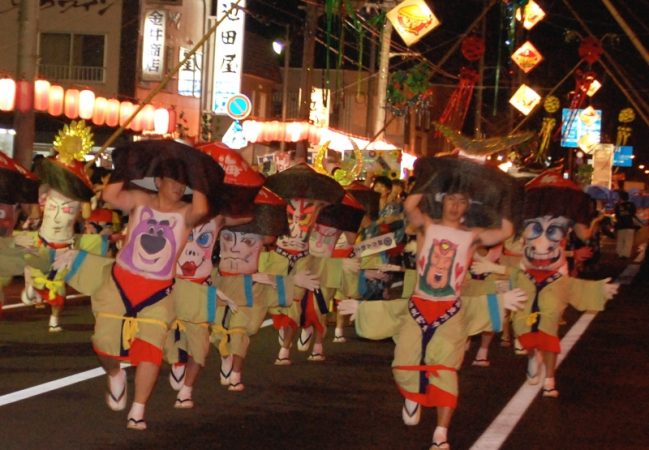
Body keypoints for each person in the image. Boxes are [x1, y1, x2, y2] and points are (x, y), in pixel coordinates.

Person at [340, 157, 526, 450]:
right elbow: (410, 207)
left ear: (468, 206)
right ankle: (412, 395)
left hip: (450, 309)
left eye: (461, 201)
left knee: (446, 370)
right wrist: (430, 178)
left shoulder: (472, 235)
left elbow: (503, 232)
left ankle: (441, 433)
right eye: (450, 199)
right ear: (442, 201)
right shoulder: (426, 226)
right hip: (418, 305)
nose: (455, 205)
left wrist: (506, 196)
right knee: (403, 364)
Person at [58, 140, 223, 430]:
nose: (177, 187)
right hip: (121, 281)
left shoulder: (186, 213)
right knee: (102, 343)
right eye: (173, 180)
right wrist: (127, 165)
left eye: (182, 183)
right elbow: (110, 194)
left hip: (158, 291)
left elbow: (201, 207)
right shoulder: (140, 199)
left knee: (150, 350)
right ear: (158, 181)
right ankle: (114, 375)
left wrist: (196, 173)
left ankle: (138, 408)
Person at [614, 190, 637, 258]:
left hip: (621, 225)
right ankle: (625, 255)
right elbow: (633, 214)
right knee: (628, 241)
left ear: (621, 198)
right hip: (630, 225)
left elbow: (617, 216)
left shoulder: (618, 206)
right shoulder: (632, 204)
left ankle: (619, 253)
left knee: (620, 240)